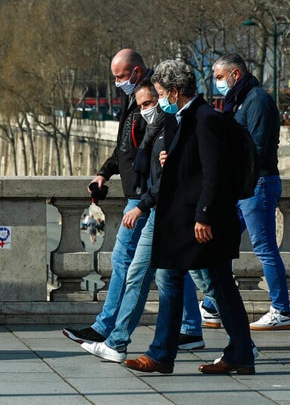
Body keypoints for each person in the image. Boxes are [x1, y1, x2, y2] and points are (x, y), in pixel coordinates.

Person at [124, 60, 254, 375]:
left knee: (216, 285)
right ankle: (233, 353)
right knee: (204, 283)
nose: (159, 99)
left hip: (199, 222)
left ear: (175, 91)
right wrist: (174, 160)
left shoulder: (204, 119)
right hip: (186, 220)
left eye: (160, 93)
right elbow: (197, 165)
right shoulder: (189, 118)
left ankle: (165, 355)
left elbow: (214, 173)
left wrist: (205, 217)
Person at [81, 80, 207, 363]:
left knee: (209, 281)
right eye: (141, 106)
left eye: (154, 100)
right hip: (158, 210)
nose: (147, 109)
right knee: (151, 274)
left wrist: (141, 205)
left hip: (174, 212)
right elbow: (147, 169)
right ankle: (124, 342)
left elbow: (186, 174)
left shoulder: (185, 124)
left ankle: (236, 341)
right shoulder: (157, 129)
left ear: (172, 93)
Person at [63, 49, 153, 345]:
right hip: (138, 194)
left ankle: (105, 328)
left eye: (120, 76)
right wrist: (103, 174)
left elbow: (150, 153)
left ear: (137, 72)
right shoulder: (133, 98)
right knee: (168, 270)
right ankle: (191, 328)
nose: (117, 83)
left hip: (144, 197)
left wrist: (143, 200)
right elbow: (124, 149)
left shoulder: (148, 101)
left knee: (123, 259)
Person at [207, 53, 290, 331]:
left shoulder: (256, 100)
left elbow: (255, 149)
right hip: (245, 185)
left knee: (264, 248)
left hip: (257, 184)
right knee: (220, 240)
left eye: (220, 78)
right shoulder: (241, 100)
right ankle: (212, 304)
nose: (217, 83)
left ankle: (281, 310)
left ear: (235, 75)